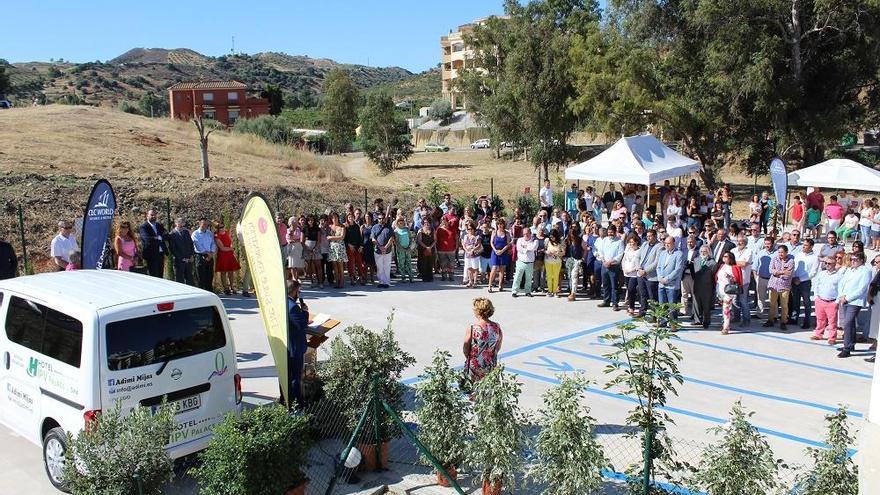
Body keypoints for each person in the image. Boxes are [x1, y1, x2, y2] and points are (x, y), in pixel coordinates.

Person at [836, 252, 873, 358]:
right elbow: (841, 282)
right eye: (851, 259)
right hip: (844, 299)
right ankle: (851, 344)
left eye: (855, 259)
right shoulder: (849, 270)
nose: (852, 261)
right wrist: (841, 296)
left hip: (854, 301)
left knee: (848, 323)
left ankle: (846, 348)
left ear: (861, 260)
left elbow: (861, 289)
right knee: (850, 323)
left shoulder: (866, 271)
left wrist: (847, 298)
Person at [463, 298, 503, 383]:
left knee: (473, 392)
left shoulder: (472, 328)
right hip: (490, 364)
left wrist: (472, 358)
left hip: (475, 365)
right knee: (487, 391)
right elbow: (498, 347)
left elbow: (465, 348)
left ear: (477, 311)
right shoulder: (497, 327)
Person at [286, 279, 309, 407]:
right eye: (298, 291)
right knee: (295, 377)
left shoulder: (284, 303)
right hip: (294, 347)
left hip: (288, 346)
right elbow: (302, 325)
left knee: (288, 376)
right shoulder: (293, 307)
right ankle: (298, 403)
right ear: (294, 291)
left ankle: (287, 399)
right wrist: (305, 312)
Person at [811, 256, 843, 343]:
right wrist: (816, 297)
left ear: (834, 264)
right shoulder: (821, 274)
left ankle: (832, 337)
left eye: (829, 263)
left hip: (832, 302)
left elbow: (841, 289)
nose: (827, 265)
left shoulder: (838, 276)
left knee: (832, 321)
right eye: (826, 263)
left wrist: (836, 302)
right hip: (820, 300)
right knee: (820, 319)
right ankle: (819, 334)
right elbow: (816, 286)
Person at [763, 244, 794, 330]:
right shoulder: (774, 259)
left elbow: (788, 275)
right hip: (773, 284)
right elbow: (771, 270)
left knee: (784, 305)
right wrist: (782, 272)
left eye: (782, 252)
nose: (780, 254)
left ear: (786, 252)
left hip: (784, 285)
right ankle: (770, 320)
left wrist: (777, 273)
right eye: (779, 252)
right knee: (772, 303)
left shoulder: (791, 261)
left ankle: (783, 321)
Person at [789, 238, 819, 328]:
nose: (803, 247)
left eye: (806, 245)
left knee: (806, 302)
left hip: (805, 282)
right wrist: (794, 277)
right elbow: (794, 267)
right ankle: (794, 318)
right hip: (795, 281)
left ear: (811, 247)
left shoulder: (815, 258)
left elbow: (813, 273)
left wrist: (800, 279)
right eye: (803, 245)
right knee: (795, 301)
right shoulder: (799, 255)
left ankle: (807, 321)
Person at [657, 235, 685, 328]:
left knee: (672, 305)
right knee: (662, 304)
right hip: (661, 283)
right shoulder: (662, 253)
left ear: (674, 243)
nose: (667, 245)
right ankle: (662, 321)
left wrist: (667, 279)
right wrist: (660, 277)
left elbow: (677, 269)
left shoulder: (679, 254)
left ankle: (673, 324)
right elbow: (658, 267)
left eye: (669, 243)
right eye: (665, 243)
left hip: (672, 284)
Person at [597, 224, 625, 311]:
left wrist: (610, 262)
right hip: (604, 265)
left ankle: (615, 303)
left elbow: (620, 255)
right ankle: (606, 300)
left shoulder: (619, 242)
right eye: (609, 232)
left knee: (614, 286)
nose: (610, 234)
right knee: (605, 284)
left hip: (614, 266)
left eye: (612, 232)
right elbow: (600, 252)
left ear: (615, 232)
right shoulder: (605, 240)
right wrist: (604, 261)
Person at [716, 251, 743, 334]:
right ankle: (725, 323)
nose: (724, 257)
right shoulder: (722, 266)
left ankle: (726, 327)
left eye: (726, 256)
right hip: (720, 290)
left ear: (730, 258)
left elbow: (737, 280)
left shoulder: (734, 267)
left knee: (726, 308)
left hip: (729, 291)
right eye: (723, 256)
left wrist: (730, 277)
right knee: (724, 308)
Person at [636, 229, 661, 318]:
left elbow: (656, 262)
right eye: (647, 236)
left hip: (651, 275)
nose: (648, 238)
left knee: (653, 297)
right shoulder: (644, 244)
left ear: (655, 236)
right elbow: (637, 257)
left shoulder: (660, 246)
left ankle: (655, 315)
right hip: (640, 273)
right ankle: (642, 312)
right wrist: (638, 268)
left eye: (650, 236)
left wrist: (645, 271)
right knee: (643, 294)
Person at [731, 234, 753, 326]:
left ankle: (746, 320)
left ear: (745, 243)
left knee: (743, 300)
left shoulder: (749, 251)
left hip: (744, 280)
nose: (739, 243)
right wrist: (739, 262)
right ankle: (736, 317)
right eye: (738, 241)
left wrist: (733, 262)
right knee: (734, 300)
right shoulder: (733, 250)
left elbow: (744, 263)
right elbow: (728, 262)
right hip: (733, 280)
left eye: (742, 241)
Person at [213, 221, 241, 295]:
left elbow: (230, 241)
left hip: (229, 254)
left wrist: (231, 246)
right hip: (223, 255)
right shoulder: (216, 236)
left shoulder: (227, 232)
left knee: (231, 271)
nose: (222, 228)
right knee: (223, 272)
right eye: (220, 227)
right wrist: (231, 249)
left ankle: (232, 286)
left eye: (223, 226)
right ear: (217, 228)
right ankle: (226, 288)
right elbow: (222, 248)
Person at [138, 209, 167, 278]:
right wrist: (158, 238)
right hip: (151, 255)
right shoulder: (144, 227)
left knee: (160, 275)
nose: (153, 216)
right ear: (147, 216)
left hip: (160, 254)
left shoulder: (159, 225)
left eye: (155, 215)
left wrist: (158, 237)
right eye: (151, 215)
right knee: (154, 276)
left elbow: (166, 235)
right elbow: (146, 239)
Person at [168, 218, 195, 285]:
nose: (182, 224)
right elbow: (173, 249)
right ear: (176, 223)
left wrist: (191, 255)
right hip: (179, 261)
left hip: (188, 260)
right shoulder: (172, 234)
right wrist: (182, 258)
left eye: (183, 222)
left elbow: (191, 244)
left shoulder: (186, 232)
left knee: (189, 279)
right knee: (180, 280)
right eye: (180, 222)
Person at [192, 217, 216, 292]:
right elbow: (198, 246)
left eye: (206, 224)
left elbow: (213, 243)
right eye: (203, 223)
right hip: (200, 256)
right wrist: (207, 253)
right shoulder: (195, 234)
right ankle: (201, 292)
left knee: (210, 276)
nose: (205, 225)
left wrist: (211, 253)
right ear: (199, 223)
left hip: (210, 256)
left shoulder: (209, 233)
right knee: (201, 276)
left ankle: (210, 292)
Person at [511, 229, 537, 298]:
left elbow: (534, 248)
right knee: (517, 277)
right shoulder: (520, 240)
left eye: (527, 233)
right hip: (521, 261)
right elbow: (519, 249)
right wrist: (528, 249)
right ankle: (514, 291)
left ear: (530, 233)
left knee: (529, 278)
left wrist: (525, 248)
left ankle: (528, 291)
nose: (526, 235)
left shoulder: (534, 240)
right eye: (524, 234)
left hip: (530, 262)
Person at [371, 212, 395, 288]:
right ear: (377, 219)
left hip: (387, 251)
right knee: (379, 267)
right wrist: (380, 247)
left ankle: (386, 282)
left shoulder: (389, 227)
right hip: (378, 251)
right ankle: (381, 282)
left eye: (382, 218)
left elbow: (391, 238)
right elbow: (373, 239)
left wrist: (385, 247)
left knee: (387, 267)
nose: (381, 220)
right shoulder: (374, 227)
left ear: (385, 219)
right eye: (379, 218)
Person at [488, 218, 511, 293]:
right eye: (498, 224)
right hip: (495, 252)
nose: (500, 226)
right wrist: (495, 250)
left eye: (501, 224)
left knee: (502, 269)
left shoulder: (506, 233)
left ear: (504, 225)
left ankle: (500, 285)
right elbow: (491, 242)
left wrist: (502, 251)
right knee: (494, 268)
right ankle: (490, 285)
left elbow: (508, 244)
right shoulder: (494, 232)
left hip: (503, 252)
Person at [622, 234, 642, 315]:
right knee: (629, 290)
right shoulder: (628, 250)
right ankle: (631, 306)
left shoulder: (639, 251)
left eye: (632, 242)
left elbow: (639, 264)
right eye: (630, 242)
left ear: (637, 242)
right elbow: (624, 260)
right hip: (626, 273)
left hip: (634, 274)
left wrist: (631, 270)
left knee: (631, 289)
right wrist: (624, 269)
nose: (631, 244)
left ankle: (632, 307)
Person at [326, 213, 348, 289]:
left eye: (335, 217)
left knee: (340, 266)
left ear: (338, 218)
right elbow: (326, 236)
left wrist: (331, 237)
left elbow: (342, 237)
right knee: (334, 265)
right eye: (333, 218)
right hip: (332, 248)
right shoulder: (330, 227)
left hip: (340, 248)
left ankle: (342, 281)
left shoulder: (342, 227)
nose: (334, 219)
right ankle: (337, 281)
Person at [563, 228, 584, 301]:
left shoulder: (580, 240)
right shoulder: (567, 241)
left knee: (574, 276)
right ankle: (571, 291)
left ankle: (573, 293)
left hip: (577, 260)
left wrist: (583, 258)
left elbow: (585, 249)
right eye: (571, 234)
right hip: (569, 260)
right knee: (569, 276)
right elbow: (564, 249)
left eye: (573, 235)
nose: (572, 236)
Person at [393, 217, 415, 283]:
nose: (401, 222)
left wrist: (409, 247)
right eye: (399, 221)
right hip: (400, 249)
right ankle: (403, 277)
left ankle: (411, 276)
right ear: (397, 222)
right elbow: (396, 242)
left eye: (402, 220)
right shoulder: (396, 231)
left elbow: (410, 238)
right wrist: (401, 248)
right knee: (401, 263)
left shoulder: (407, 229)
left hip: (408, 249)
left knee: (409, 262)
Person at [436, 216, 457, 282]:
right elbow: (436, 239)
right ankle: (444, 276)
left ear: (448, 221)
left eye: (445, 220)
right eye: (442, 220)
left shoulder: (452, 229)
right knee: (443, 264)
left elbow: (456, 239)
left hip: (451, 249)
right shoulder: (439, 229)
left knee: (451, 264)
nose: (444, 222)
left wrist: (456, 247)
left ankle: (451, 276)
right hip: (441, 249)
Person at [544, 229, 565, 297]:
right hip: (548, 261)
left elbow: (563, 252)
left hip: (557, 262)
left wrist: (558, 253)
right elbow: (544, 250)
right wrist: (547, 252)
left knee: (556, 276)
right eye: (550, 237)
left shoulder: (560, 242)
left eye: (553, 237)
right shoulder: (547, 241)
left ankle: (555, 291)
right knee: (549, 276)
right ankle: (550, 291)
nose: (551, 238)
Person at [462, 221, 482, 288]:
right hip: (468, 254)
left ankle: (475, 282)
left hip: (475, 254)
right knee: (469, 268)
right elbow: (463, 245)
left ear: (474, 229)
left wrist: (473, 250)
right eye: (468, 229)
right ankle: (470, 281)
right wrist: (467, 251)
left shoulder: (477, 236)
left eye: (471, 229)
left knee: (475, 268)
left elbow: (479, 245)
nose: (470, 230)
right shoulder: (465, 236)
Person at [416, 218, 436, 282]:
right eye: (425, 223)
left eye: (427, 222)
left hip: (431, 249)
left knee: (430, 263)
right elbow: (419, 241)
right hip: (422, 249)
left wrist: (430, 247)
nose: (426, 224)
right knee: (423, 263)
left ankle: (430, 276)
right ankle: (424, 277)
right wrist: (426, 247)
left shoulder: (433, 230)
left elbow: (435, 240)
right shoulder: (420, 230)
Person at [286, 216, 306, 281]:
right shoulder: (288, 230)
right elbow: (288, 239)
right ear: (290, 223)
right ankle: (294, 278)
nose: (294, 223)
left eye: (295, 221)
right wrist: (293, 239)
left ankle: (297, 277)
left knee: (297, 264)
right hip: (291, 248)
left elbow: (301, 238)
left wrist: (295, 240)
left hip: (298, 247)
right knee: (292, 264)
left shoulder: (299, 230)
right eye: (293, 222)